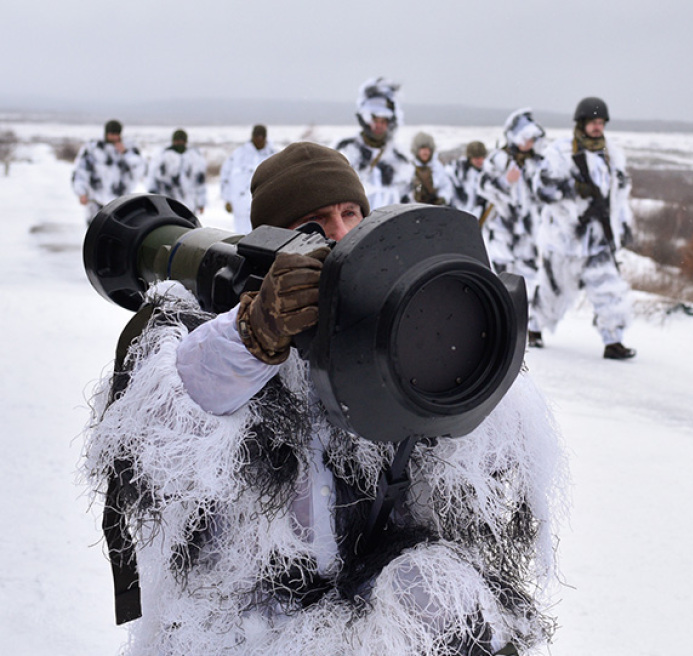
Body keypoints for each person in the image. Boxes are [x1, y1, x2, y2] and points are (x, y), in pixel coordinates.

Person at [84, 142, 565, 655]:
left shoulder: (386, 322)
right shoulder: (209, 334)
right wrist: (255, 334)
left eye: (350, 213)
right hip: (244, 616)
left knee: (442, 592)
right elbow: (175, 427)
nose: (339, 232)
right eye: (315, 221)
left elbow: (474, 457)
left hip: (363, 595)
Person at [531, 97, 636, 359]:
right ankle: (533, 329)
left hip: (599, 239)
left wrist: (623, 224)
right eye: (593, 122)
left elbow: (619, 196)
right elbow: (542, 189)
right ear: (581, 123)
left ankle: (613, 341)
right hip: (564, 239)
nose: (597, 127)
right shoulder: (561, 152)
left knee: (610, 290)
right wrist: (571, 189)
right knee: (552, 290)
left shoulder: (613, 154)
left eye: (601, 123)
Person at [478, 110, 551, 345]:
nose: (528, 144)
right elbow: (483, 186)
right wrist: (504, 182)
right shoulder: (498, 160)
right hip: (501, 228)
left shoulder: (538, 163)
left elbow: (546, 193)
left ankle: (528, 328)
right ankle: (495, 324)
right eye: (525, 138)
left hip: (527, 232)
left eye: (532, 139)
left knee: (528, 279)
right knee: (499, 278)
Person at [335, 76, 412, 209]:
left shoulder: (400, 159)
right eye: (375, 120)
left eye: (383, 121)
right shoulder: (346, 151)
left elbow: (409, 200)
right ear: (365, 119)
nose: (379, 126)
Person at [71, 119, 146, 223]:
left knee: (118, 233)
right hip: (96, 200)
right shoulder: (93, 148)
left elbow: (139, 169)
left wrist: (125, 153)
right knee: (95, 232)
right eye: (112, 134)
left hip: (120, 201)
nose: (114, 137)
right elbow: (81, 170)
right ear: (106, 133)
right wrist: (81, 192)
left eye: (117, 134)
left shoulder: (129, 148)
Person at [220, 124, 276, 234]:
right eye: (256, 137)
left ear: (265, 138)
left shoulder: (273, 155)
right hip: (241, 206)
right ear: (252, 137)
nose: (259, 140)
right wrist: (227, 199)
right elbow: (225, 177)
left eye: (261, 137)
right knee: (242, 237)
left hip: (265, 206)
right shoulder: (238, 154)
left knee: (264, 237)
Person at [146, 129, 207, 214]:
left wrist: (201, 203)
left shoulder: (194, 158)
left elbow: (200, 183)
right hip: (167, 203)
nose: (180, 143)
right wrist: (152, 200)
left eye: (182, 141)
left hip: (189, 204)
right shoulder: (162, 157)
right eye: (177, 141)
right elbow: (153, 179)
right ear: (173, 141)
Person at [407, 131, 454, 205]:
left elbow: (446, 186)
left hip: (433, 209)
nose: (425, 152)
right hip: (411, 209)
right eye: (422, 149)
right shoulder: (408, 166)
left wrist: (443, 198)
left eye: (428, 149)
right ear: (416, 150)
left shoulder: (437, 167)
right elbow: (401, 190)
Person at [449, 140, 489, 219]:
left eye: (481, 157)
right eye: (476, 157)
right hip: (462, 214)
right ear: (470, 158)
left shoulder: (488, 172)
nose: (479, 161)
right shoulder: (460, 172)